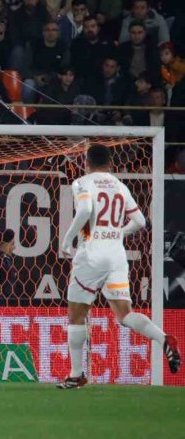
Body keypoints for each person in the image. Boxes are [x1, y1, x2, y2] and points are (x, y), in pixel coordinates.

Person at [58, 144, 180, 388]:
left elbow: (86, 208)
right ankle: (164, 338)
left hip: (91, 255)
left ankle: (76, 374)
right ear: (110, 163)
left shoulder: (82, 182)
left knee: (76, 315)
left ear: (86, 162)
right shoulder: (119, 185)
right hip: (116, 256)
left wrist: (67, 238)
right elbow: (140, 221)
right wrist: (115, 234)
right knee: (124, 313)